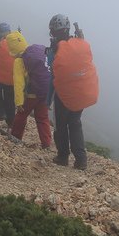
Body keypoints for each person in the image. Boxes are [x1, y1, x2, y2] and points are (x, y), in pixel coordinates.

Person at [48, 14, 99, 170]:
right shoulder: (81, 43)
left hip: (64, 95)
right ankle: (81, 160)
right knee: (75, 124)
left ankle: (63, 157)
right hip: (81, 93)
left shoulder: (56, 47)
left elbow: (51, 69)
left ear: (54, 31)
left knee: (61, 125)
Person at [4, 30, 53, 148]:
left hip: (31, 95)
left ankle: (15, 138)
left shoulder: (19, 61)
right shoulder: (37, 50)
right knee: (42, 118)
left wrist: (19, 102)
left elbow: (19, 83)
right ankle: (46, 143)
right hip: (45, 93)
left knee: (21, 115)